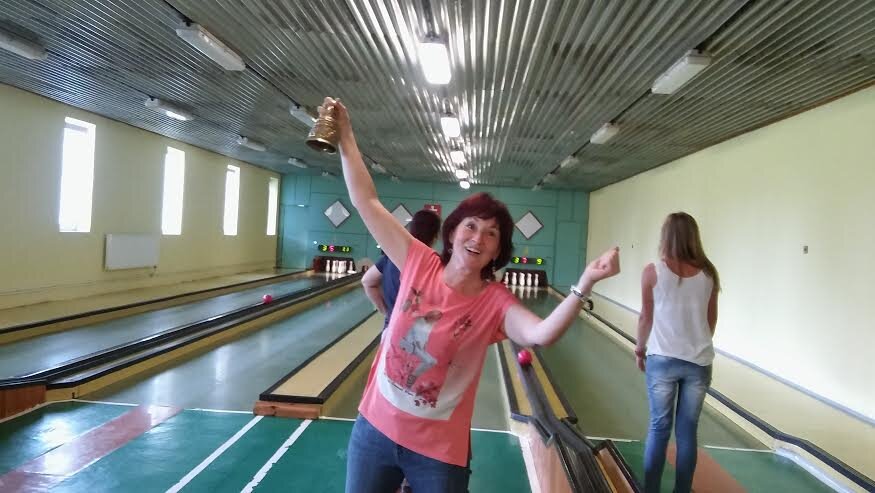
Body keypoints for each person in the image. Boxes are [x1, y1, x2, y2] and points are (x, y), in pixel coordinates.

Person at [321, 97, 621, 493]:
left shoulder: (495, 302)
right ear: (453, 232)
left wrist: (585, 283)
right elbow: (367, 201)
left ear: (498, 251)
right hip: (374, 431)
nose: (478, 238)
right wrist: (345, 136)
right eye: (472, 226)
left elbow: (542, 334)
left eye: (491, 233)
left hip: (437, 453)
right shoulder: (417, 260)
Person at [634, 212, 720, 493]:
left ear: (665, 236)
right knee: (687, 433)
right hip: (698, 362)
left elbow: (645, 318)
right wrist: (696, 342)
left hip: (662, 359)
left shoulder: (652, 272)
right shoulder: (709, 273)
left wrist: (639, 349)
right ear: (694, 237)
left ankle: (650, 490)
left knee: (659, 429)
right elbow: (711, 320)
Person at [363, 209, 442, 330]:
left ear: (410, 230)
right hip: (419, 333)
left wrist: (387, 312)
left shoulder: (390, 257)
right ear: (435, 236)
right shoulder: (436, 264)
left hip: (391, 327)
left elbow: (367, 281)